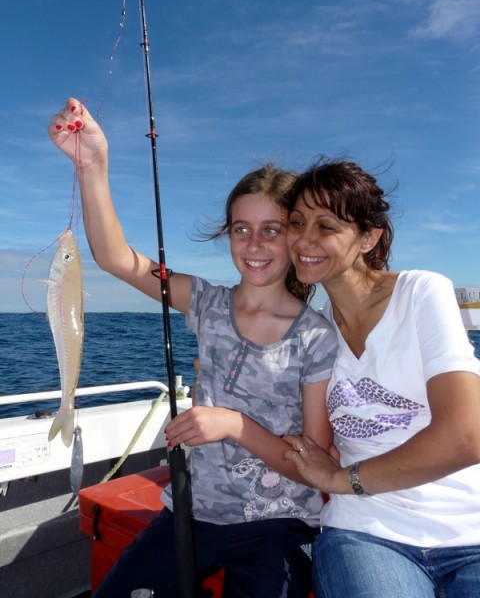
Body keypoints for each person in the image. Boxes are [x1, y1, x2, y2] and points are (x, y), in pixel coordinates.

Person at [48, 99, 338, 598]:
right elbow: (117, 258)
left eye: (271, 230)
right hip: (190, 513)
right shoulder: (204, 301)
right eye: (241, 229)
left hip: (279, 524)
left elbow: (313, 464)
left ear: (295, 239)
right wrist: (91, 164)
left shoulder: (317, 337)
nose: (254, 244)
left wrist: (234, 426)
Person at [284, 158, 480, 598]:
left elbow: (467, 436)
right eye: (297, 223)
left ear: (369, 236)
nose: (304, 240)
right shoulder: (312, 333)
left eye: (326, 226)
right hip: (365, 531)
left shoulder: (420, 292)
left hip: (471, 531)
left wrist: (342, 481)